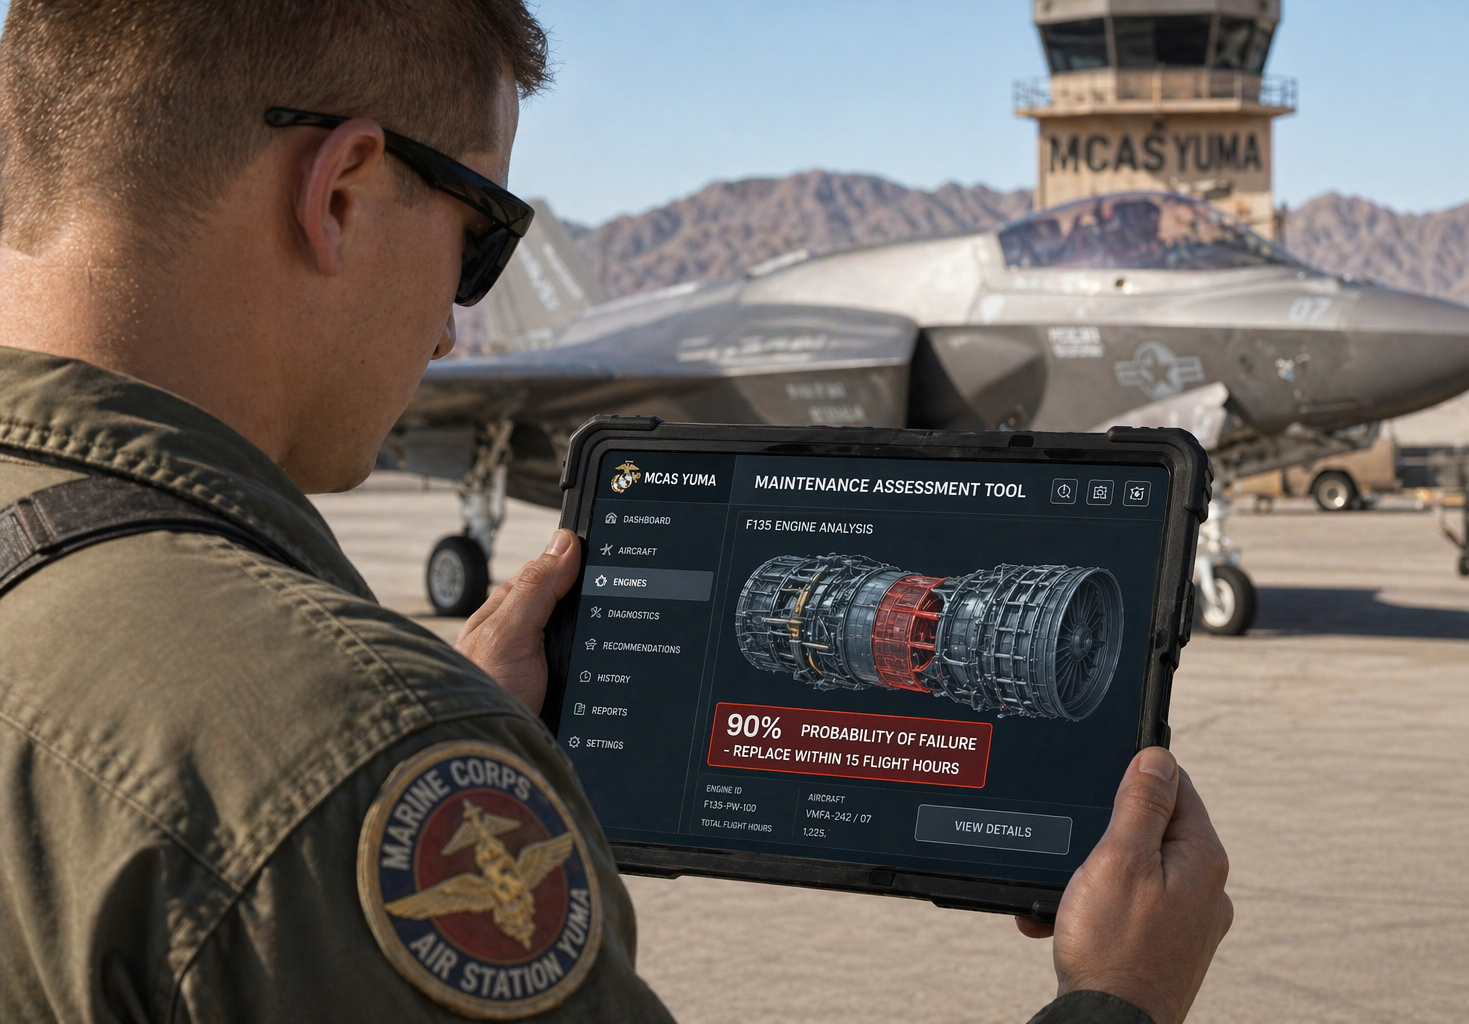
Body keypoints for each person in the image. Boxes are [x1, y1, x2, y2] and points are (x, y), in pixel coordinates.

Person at [0, 1, 1232, 1021]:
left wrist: (466, 711)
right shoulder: (354, 762)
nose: (448, 324)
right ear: (339, 194)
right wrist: (1119, 995)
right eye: (479, 244)